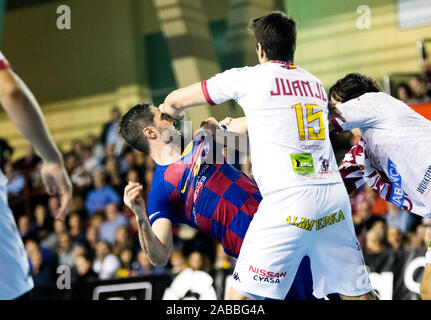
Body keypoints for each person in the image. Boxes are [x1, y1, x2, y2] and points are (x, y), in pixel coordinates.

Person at [158, 12, 374, 300]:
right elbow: (272, 120)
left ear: (260, 48)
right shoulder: (313, 84)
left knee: (240, 300)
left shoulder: (248, 78)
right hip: (332, 197)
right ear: (293, 46)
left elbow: (177, 99)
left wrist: (169, 114)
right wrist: (226, 128)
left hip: (288, 201)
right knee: (358, 296)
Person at [120, 104, 338, 300]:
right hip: (255, 250)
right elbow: (159, 256)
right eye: (163, 117)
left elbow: (251, 144)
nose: (172, 119)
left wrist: (222, 131)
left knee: (333, 290)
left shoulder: (201, 140)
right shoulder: (160, 191)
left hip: (284, 221)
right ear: (150, 132)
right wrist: (140, 216)